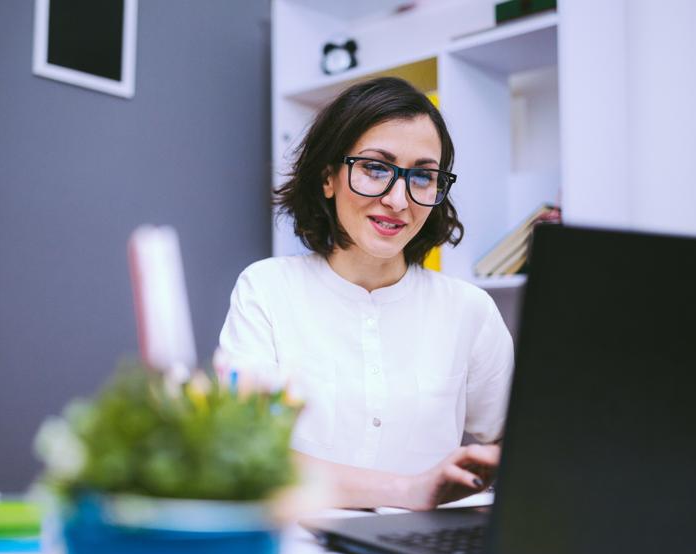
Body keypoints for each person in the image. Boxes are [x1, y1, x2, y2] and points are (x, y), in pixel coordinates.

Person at [218, 77, 513, 511]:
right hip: (303, 548)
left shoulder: (469, 310)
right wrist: (408, 491)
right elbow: (246, 452)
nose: (398, 199)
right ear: (328, 179)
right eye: (376, 168)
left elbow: (519, 442)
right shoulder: (266, 290)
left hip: (429, 546)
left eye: (423, 176)